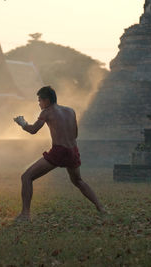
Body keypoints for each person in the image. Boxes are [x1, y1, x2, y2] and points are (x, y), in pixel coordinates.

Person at [13, 86, 106, 220]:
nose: (39, 103)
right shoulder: (70, 111)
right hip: (73, 150)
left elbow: (33, 130)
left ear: (46, 100)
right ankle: (101, 208)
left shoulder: (47, 112)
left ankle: (25, 214)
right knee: (78, 181)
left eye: (40, 100)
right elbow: (75, 134)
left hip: (59, 151)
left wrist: (22, 123)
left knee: (26, 177)